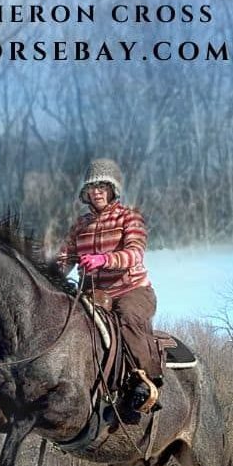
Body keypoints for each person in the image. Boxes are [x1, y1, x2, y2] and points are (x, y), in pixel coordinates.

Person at [57, 158, 163, 419]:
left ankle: (144, 383)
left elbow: (134, 254)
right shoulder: (80, 225)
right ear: (86, 193)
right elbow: (64, 259)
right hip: (92, 295)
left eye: (103, 186)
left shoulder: (130, 217)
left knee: (126, 316)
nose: (98, 192)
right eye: (93, 187)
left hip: (132, 291)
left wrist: (105, 259)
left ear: (113, 189)